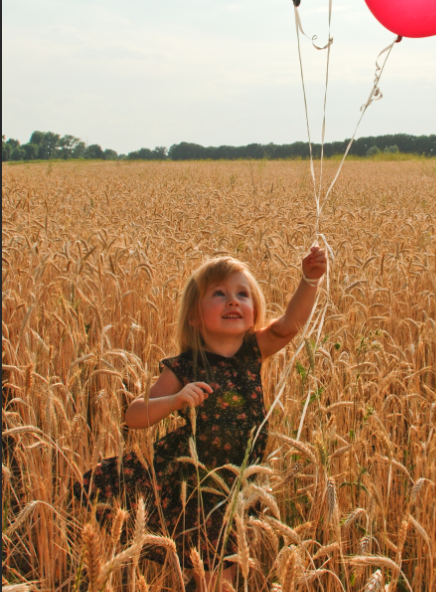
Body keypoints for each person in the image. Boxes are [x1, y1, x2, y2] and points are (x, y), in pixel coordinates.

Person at [74, 247, 327, 591]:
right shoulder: (185, 366)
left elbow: (288, 326)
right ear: (194, 316)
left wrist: (310, 279)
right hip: (198, 489)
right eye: (219, 294)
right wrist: (175, 399)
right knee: (215, 577)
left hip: (239, 485)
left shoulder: (253, 351)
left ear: (254, 311)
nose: (233, 302)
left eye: (242, 294)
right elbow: (134, 415)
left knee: (225, 573)